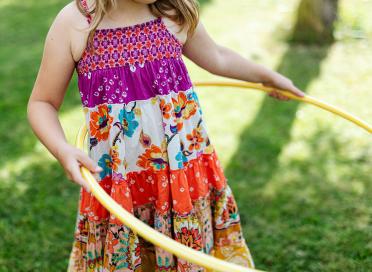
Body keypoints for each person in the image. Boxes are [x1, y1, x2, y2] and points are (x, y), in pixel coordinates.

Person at [27, 0, 305, 271]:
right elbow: (42, 103)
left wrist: (267, 76)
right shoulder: (77, 22)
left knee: (187, 255)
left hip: (181, 173)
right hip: (121, 179)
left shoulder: (174, 10)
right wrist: (62, 149)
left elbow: (218, 57)